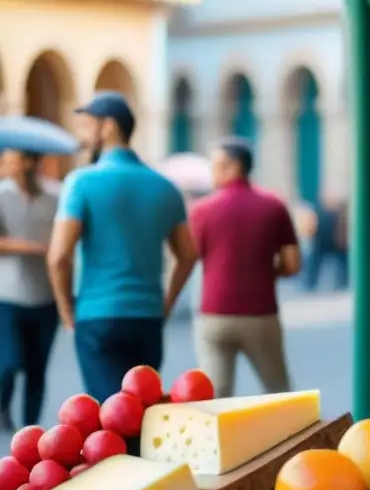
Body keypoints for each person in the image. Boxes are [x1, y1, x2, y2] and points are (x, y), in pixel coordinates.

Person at [48, 92, 197, 402]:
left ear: (109, 127)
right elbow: (188, 255)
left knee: (110, 416)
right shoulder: (164, 186)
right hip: (147, 317)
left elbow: (59, 256)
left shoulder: (81, 182)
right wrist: (165, 303)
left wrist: (66, 312)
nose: (83, 134)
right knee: (143, 413)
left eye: (87, 125)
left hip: (97, 315)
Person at [190, 138, 300, 397]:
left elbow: (190, 256)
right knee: (278, 391)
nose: (212, 172)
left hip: (215, 314)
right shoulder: (274, 206)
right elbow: (292, 263)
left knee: (216, 397)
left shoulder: (201, 210)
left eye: (217, 165)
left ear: (233, 167)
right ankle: (289, 437)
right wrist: (266, 271)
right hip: (261, 314)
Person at [0, 150, 59, 430]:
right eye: (7, 160)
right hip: (7, 296)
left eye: (13, 159)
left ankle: (30, 427)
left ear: (31, 162)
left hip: (46, 297)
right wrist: (37, 248)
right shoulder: (1, 194)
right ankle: (2, 405)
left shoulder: (54, 198)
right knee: (8, 361)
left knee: (38, 369)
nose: (8, 165)